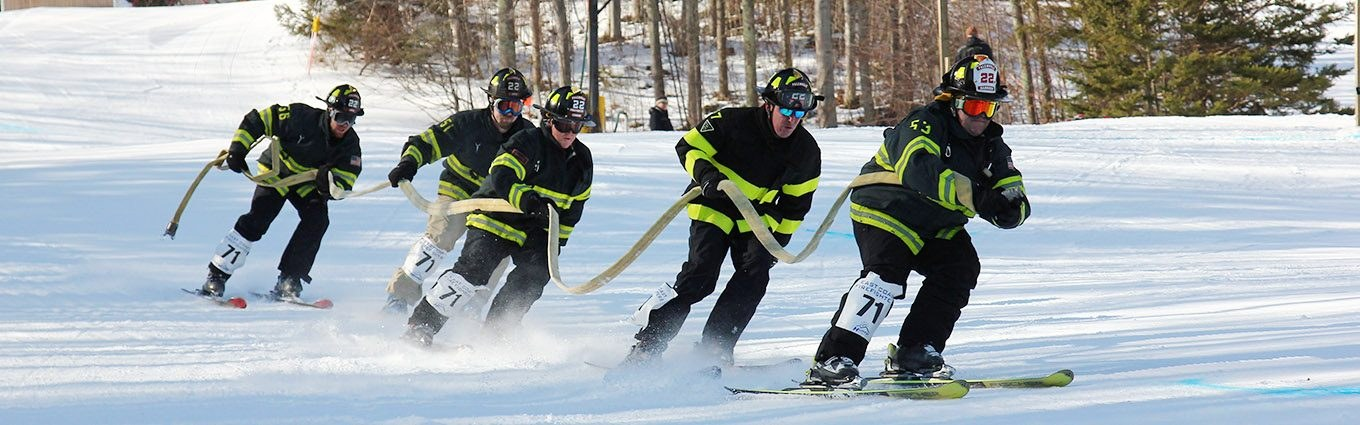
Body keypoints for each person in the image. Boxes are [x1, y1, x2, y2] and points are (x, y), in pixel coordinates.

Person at [802, 55, 1030, 389]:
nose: (981, 118)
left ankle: (915, 351)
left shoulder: (991, 144)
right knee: (885, 276)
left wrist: (1012, 208)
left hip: (935, 223)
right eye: (974, 107)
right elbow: (919, 170)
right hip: (888, 209)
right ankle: (834, 359)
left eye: (989, 108)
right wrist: (977, 197)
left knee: (960, 268)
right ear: (953, 101)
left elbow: (1010, 184)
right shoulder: (924, 123)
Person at [622, 68, 822, 367]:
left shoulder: (806, 151)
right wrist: (707, 176)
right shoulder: (732, 121)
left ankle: (715, 348)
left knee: (755, 275)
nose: (792, 119)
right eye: (786, 110)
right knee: (700, 277)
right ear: (768, 105)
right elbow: (687, 146)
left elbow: (796, 206)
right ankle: (648, 346)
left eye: (799, 113)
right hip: (713, 204)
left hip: (754, 217)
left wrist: (776, 244)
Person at [403, 86, 595, 346]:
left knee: (535, 276)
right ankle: (421, 325)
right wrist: (526, 199)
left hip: (535, 231)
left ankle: (495, 335)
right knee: (474, 270)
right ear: (549, 119)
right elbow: (502, 175)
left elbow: (574, 209)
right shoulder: (527, 141)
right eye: (564, 124)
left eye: (577, 126)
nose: (570, 133)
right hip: (494, 219)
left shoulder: (582, 160)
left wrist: (555, 246)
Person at [382, 68, 536, 314]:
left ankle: (468, 310)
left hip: (496, 203)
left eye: (516, 107)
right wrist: (408, 162)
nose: (509, 114)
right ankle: (400, 296)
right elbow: (427, 142)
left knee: (496, 253)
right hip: (459, 191)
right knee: (442, 233)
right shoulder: (467, 123)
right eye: (503, 105)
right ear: (490, 102)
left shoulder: (528, 136)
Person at [198, 84, 365, 300]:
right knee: (259, 218)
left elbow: (347, 178)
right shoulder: (300, 117)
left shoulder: (351, 144)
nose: (345, 125)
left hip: (306, 183)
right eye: (341, 117)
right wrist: (238, 149)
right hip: (276, 173)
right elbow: (257, 120)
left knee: (317, 219)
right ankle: (217, 274)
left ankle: (290, 279)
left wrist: (330, 185)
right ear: (330, 111)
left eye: (351, 120)